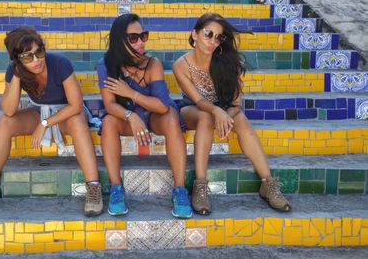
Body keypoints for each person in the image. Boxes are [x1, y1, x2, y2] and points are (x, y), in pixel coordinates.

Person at [0, 26, 103, 216]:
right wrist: (17, 73)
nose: (36, 60)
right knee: (5, 123)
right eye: (27, 57)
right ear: (17, 59)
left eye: (38, 52)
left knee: (77, 121)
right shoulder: (15, 71)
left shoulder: (60, 64)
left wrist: (44, 124)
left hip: (67, 114)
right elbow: (8, 110)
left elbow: (76, 105)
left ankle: (93, 188)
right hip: (40, 112)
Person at [172, 13, 291, 215]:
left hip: (224, 108)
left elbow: (236, 103)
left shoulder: (228, 62)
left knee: (242, 121)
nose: (212, 41)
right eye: (208, 34)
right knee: (207, 116)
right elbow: (199, 101)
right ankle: (200, 186)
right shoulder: (180, 65)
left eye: (218, 37)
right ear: (194, 34)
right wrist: (217, 111)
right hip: (192, 109)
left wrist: (226, 115)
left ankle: (268, 183)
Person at [97, 13, 192, 219]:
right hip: (125, 119)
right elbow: (110, 105)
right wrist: (131, 116)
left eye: (143, 36)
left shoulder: (152, 64)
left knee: (171, 118)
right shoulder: (106, 65)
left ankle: (180, 189)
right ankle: (116, 188)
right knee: (109, 122)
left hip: (154, 117)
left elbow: (162, 106)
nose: (140, 42)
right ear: (119, 40)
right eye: (133, 38)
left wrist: (131, 93)